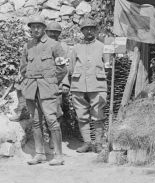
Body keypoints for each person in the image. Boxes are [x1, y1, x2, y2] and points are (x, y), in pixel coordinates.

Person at [19, 14, 69, 166]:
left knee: (52, 121)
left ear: (44, 28)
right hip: (31, 89)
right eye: (33, 27)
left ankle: (58, 155)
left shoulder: (54, 45)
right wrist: (29, 80)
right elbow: (23, 68)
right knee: (35, 122)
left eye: (38, 26)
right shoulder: (27, 46)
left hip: (47, 89)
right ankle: (40, 153)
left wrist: (52, 82)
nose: (35, 29)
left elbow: (62, 68)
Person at [61, 16, 107, 153]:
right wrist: (66, 84)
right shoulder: (75, 48)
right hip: (78, 85)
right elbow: (69, 68)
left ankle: (98, 143)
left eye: (92, 29)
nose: (89, 32)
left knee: (98, 114)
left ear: (96, 30)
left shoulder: (103, 47)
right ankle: (87, 143)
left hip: (97, 85)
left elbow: (109, 65)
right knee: (81, 115)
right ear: (82, 31)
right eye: (86, 29)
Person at [45, 21, 70, 120]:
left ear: (59, 34)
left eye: (56, 32)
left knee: (56, 112)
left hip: (57, 84)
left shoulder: (64, 47)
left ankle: (56, 134)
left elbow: (67, 66)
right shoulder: (41, 45)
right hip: (42, 83)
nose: (53, 34)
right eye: (50, 32)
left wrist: (65, 83)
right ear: (46, 32)